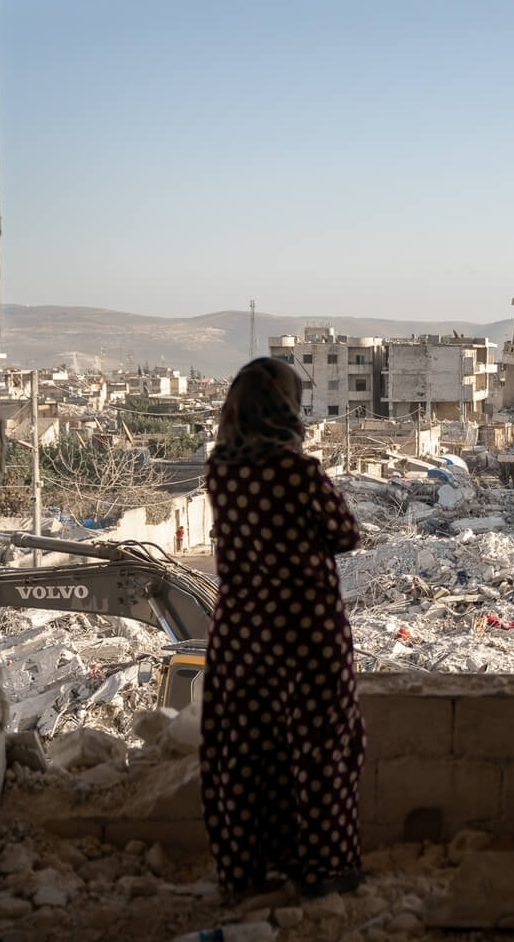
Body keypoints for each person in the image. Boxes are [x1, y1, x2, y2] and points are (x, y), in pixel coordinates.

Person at [199, 357, 364, 902]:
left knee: (246, 749)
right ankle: (322, 869)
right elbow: (345, 534)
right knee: (320, 744)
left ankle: (244, 874)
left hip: (242, 631)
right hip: (305, 628)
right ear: (285, 408)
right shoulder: (300, 472)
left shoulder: (218, 471)